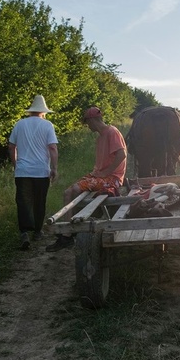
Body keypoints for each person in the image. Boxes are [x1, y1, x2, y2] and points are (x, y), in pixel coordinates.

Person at [46, 106, 127, 252]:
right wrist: (97, 172)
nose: (87, 125)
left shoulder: (111, 132)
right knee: (67, 192)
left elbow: (122, 155)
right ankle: (68, 233)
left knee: (76, 190)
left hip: (112, 178)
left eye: (87, 122)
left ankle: (68, 234)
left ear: (92, 120)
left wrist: (106, 172)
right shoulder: (101, 137)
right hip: (100, 175)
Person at [8, 94, 59, 250]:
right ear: (43, 112)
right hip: (41, 171)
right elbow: (52, 148)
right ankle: (37, 231)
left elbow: (11, 146)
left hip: (23, 171)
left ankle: (24, 233)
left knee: (23, 202)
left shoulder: (19, 124)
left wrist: (16, 164)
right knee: (39, 201)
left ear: (30, 111)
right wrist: (54, 168)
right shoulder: (48, 125)